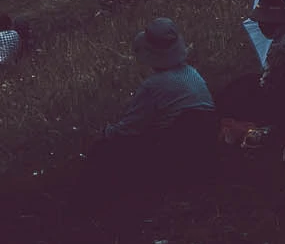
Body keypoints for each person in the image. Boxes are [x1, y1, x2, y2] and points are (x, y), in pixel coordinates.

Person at [91, 17, 217, 182]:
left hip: (175, 155)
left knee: (104, 150)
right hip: (206, 147)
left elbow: (130, 128)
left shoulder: (153, 86)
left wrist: (105, 133)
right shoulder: (192, 73)